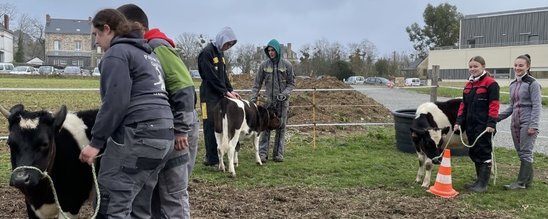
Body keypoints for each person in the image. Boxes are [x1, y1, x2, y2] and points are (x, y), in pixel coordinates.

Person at [79, 9, 174, 218]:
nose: (96, 41)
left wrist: (95, 143)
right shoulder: (147, 53)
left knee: (111, 198)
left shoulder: (117, 53)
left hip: (139, 134)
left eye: (96, 34)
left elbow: (115, 101)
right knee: (139, 202)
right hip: (164, 135)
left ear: (107, 29)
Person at [117, 4, 199, 218]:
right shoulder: (140, 50)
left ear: (138, 26)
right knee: (152, 193)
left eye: (121, 28)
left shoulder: (157, 46)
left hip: (177, 128)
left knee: (173, 193)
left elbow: (185, 88)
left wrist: (182, 129)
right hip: (159, 128)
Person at [453, 56, 500, 193]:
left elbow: (494, 105)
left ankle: (483, 184)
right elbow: (463, 105)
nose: (473, 69)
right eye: (471, 67)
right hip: (471, 125)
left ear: (483, 67)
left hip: (484, 125)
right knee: (474, 151)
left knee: (484, 151)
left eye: (476, 66)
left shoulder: (491, 83)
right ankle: (479, 180)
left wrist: (491, 123)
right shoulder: (468, 85)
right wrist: (458, 122)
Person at [498, 54, 541, 190]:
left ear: (527, 67)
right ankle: (528, 181)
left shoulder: (532, 83)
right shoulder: (512, 84)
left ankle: (520, 183)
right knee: (521, 152)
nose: (517, 68)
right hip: (515, 122)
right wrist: (497, 117)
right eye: (516, 65)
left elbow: (537, 105)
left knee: (526, 152)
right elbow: (512, 106)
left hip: (527, 122)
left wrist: (533, 125)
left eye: (521, 65)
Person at [197, 27, 239, 166]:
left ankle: (218, 155)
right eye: (227, 44)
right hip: (207, 97)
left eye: (230, 45)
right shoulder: (207, 53)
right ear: (222, 39)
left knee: (220, 125)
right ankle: (211, 159)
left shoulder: (220, 55)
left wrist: (230, 90)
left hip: (219, 95)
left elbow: (223, 76)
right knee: (209, 125)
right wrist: (225, 92)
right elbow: (211, 77)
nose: (228, 47)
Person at [250, 39, 295, 163]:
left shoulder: (287, 65)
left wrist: (284, 94)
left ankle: (278, 154)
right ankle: (263, 154)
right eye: (269, 50)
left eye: (273, 50)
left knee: (281, 127)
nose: (271, 53)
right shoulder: (264, 66)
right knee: (265, 128)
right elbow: (256, 84)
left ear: (277, 51)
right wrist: (253, 98)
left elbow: (291, 84)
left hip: (282, 103)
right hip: (268, 102)